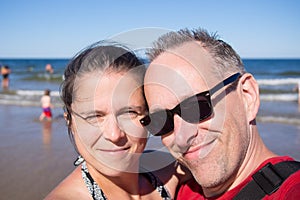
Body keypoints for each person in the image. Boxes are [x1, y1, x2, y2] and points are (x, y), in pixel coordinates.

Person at [140, 28, 300, 199]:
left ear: (247, 95)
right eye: (162, 120)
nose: (181, 136)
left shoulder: (291, 191)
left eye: (196, 107)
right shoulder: (172, 188)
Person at [45, 42, 190, 199]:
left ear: (148, 117)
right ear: (70, 122)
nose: (114, 134)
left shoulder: (170, 169)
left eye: (129, 112)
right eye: (94, 116)